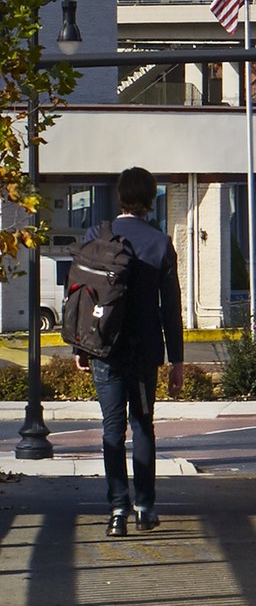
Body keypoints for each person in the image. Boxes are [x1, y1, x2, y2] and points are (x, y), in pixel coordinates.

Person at [75, 165, 185, 536]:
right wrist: (177, 360)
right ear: (151, 199)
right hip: (144, 350)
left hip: (104, 347)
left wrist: (80, 346)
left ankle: (117, 511)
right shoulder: (160, 243)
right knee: (142, 426)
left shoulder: (97, 235)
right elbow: (171, 308)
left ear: (119, 196)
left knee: (111, 429)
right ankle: (145, 508)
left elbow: (83, 294)